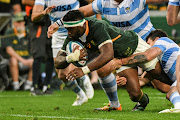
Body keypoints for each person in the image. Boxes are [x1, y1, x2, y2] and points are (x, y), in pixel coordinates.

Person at [54, 10, 167, 111]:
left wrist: (84, 70)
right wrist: (70, 58)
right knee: (134, 94)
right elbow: (57, 62)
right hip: (120, 57)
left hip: (134, 47)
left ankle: (176, 98)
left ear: (80, 26)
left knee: (160, 78)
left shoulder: (97, 26)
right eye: (66, 29)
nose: (68, 32)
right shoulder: (72, 36)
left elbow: (108, 54)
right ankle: (120, 104)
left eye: (70, 29)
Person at [31, 0, 94, 106]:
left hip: (76, 32)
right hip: (58, 35)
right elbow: (34, 17)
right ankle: (81, 94)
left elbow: (93, 3)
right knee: (62, 74)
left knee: (73, 65)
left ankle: (83, 77)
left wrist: (98, 17)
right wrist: (43, 13)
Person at [114, 29, 180, 113]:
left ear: (156, 39)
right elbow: (142, 81)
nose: (148, 47)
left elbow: (148, 56)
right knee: (171, 93)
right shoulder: (163, 61)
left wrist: (121, 61)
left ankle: (178, 108)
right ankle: (178, 107)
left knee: (173, 92)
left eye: (148, 44)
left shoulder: (162, 40)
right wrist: (124, 81)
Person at [48, 0, 167, 41]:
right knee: (104, 70)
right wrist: (59, 23)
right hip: (125, 45)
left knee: (159, 83)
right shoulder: (103, 2)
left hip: (147, 42)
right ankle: (113, 100)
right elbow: (81, 12)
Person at [4, 13, 33, 91]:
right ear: (14, 23)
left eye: (21, 21)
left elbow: (33, 48)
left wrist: (30, 59)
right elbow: (8, 50)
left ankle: (28, 84)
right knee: (13, 60)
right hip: (15, 61)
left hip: (27, 59)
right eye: (18, 22)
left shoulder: (28, 33)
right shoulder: (9, 32)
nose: (20, 24)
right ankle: (16, 85)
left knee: (35, 61)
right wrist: (22, 60)